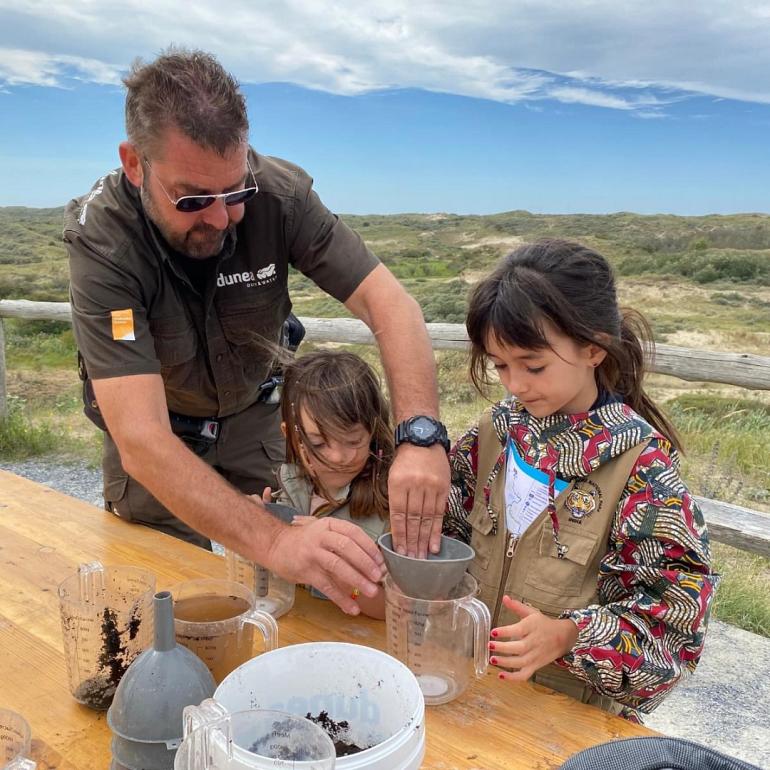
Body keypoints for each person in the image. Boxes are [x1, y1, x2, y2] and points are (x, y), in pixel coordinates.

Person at [63, 48, 450, 617]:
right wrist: (273, 540)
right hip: (161, 437)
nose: (220, 219)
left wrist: (420, 434)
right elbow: (142, 440)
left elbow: (390, 305)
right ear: (135, 163)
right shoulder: (103, 241)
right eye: (193, 199)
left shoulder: (281, 194)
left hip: (255, 414)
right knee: (168, 605)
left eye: (237, 193)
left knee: (313, 588)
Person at [442, 239, 719, 720]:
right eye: (500, 366)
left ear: (593, 349)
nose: (515, 385)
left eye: (534, 366)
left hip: (567, 715)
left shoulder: (642, 471)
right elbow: (445, 536)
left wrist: (571, 635)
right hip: (469, 689)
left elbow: (673, 627)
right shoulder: (492, 435)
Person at [262, 350, 393, 619]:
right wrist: (263, 532)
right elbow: (273, 586)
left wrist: (333, 563)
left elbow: (394, 609)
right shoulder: (289, 486)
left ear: (373, 431)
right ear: (290, 435)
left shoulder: (392, 505)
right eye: (319, 443)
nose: (337, 457)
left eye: (354, 441)